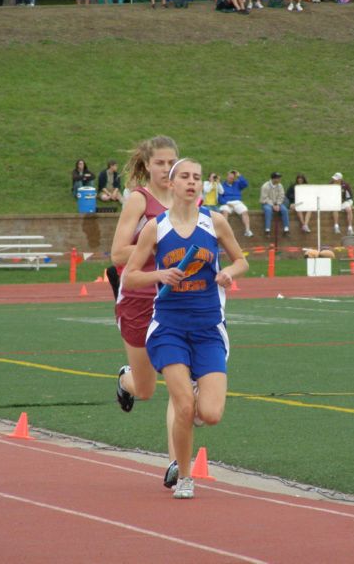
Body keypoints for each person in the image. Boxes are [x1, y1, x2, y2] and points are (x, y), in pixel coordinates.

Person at [121, 157, 248, 499]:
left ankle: (192, 401)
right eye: (185, 177)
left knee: (211, 414)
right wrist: (159, 275)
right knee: (184, 406)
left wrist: (228, 274)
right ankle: (185, 476)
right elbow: (129, 275)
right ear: (172, 185)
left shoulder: (215, 222)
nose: (192, 182)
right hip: (169, 328)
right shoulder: (156, 227)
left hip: (208, 328)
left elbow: (242, 260)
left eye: (197, 178)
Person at [110, 136, 180, 489]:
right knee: (147, 389)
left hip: (176, 302)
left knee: (181, 384)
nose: (168, 169)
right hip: (138, 299)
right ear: (148, 165)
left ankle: (176, 463)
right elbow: (118, 255)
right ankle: (125, 380)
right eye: (161, 163)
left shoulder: (187, 201)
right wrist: (155, 241)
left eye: (172, 163)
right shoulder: (139, 200)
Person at [218, 170, 253, 237]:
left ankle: (247, 230)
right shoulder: (222, 185)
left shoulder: (237, 183)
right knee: (225, 212)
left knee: (244, 211)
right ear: (227, 177)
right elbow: (219, 198)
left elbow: (245, 184)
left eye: (233, 178)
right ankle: (224, 230)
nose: (231, 179)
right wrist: (226, 203)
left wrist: (239, 176)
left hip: (237, 202)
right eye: (230, 177)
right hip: (227, 202)